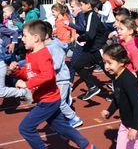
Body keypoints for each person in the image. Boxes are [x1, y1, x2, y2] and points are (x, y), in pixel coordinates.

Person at [8, 20, 96, 149]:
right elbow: (30, 74)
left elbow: (48, 75)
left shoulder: (43, 55)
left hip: (48, 101)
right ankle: (87, 146)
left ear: (36, 38)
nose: (23, 39)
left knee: (25, 128)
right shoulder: (31, 55)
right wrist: (17, 72)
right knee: (63, 128)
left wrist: (27, 85)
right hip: (46, 99)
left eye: (25, 36)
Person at [44, 22, 83, 128]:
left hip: (61, 79)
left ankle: (74, 119)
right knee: (56, 100)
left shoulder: (54, 46)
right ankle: (67, 99)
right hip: (57, 79)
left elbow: (56, 65)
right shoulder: (50, 44)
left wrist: (43, 67)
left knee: (60, 103)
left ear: (46, 35)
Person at [73, 0, 108, 101]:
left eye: (81, 4)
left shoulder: (92, 15)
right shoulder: (87, 15)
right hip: (91, 48)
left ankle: (120, 92)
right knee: (77, 65)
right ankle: (92, 87)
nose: (80, 6)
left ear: (88, 5)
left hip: (98, 48)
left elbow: (89, 35)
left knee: (109, 71)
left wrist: (79, 38)